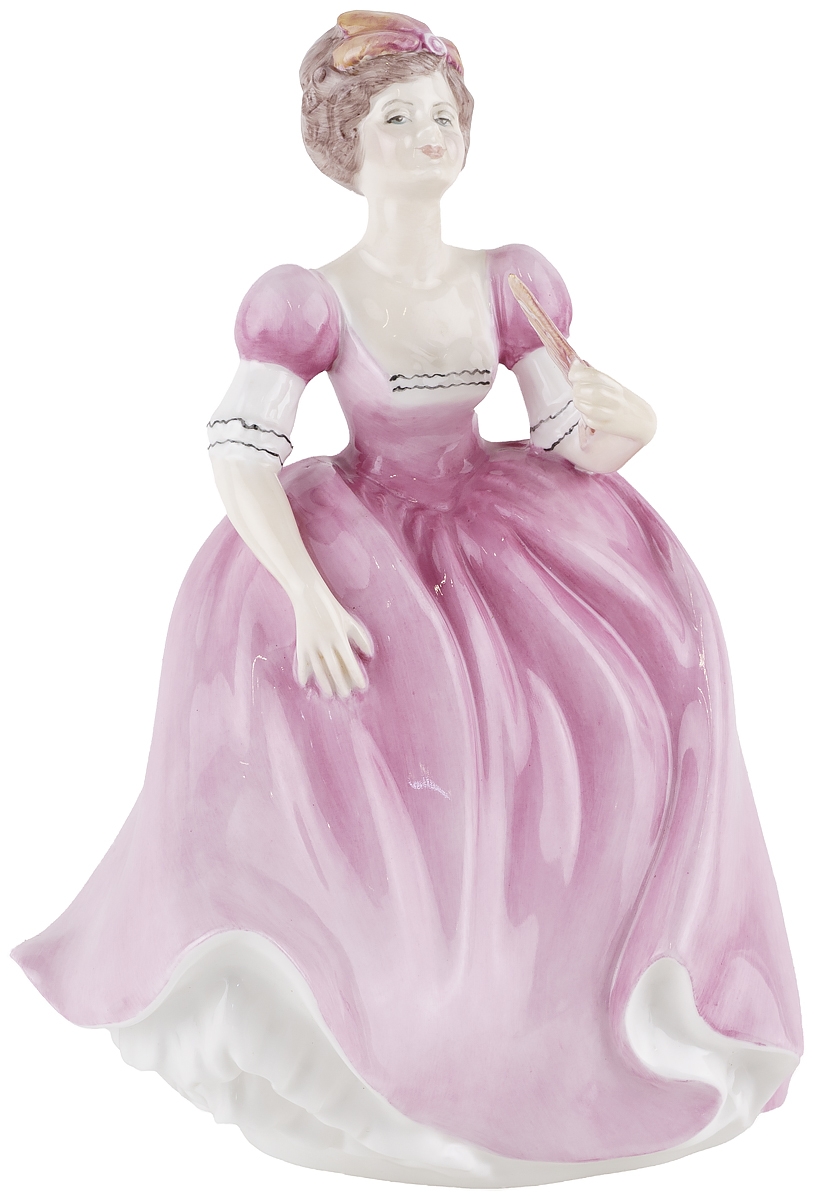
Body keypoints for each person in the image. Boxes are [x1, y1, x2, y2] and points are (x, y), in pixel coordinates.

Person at [12, 10, 802, 1187]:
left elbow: (567, 436)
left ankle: (589, 1006)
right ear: (348, 144)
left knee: (640, 680)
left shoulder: (510, 280)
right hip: (362, 536)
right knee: (368, 740)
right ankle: (388, 1018)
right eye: (398, 118)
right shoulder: (309, 298)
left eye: (442, 117)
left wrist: (633, 422)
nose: (429, 136)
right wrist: (304, 590)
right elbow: (240, 453)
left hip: (502, 524)